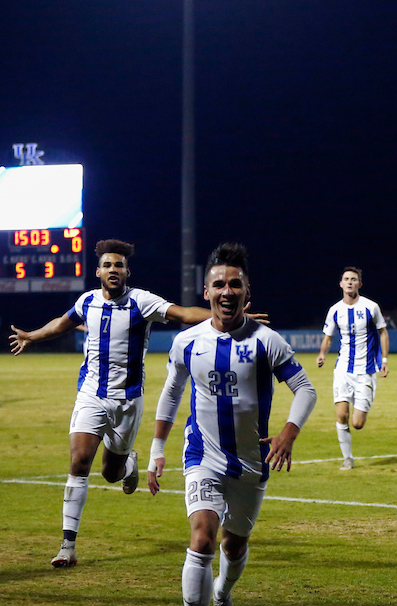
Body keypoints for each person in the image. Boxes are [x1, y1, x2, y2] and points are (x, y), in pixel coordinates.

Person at [8, 239, 241, 568]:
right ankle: (67, 546)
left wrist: (226, 316)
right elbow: (63, 323)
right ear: (98, 271)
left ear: (126, 271)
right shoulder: (87, 301)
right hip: (90, 395)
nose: (113, 270)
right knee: (79, 462)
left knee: (111, 473)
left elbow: (183, 313)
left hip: (128, 403)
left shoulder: (141, 301)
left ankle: (128, 464)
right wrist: (31, 335)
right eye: (108, 265)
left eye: (119, 265)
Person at [147, 243, 316, 606]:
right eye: (219, 283)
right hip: (202, 454)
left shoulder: (267, 342)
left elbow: (306, 389)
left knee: (234, 543)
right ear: (206, 291)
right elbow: (171, 393)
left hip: (251, 462)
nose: (226, 291)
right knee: (202, 537)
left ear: (247, 294)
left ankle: (222, 594)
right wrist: (157, 450)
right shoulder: (187, 341)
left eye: (234, 284)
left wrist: (289, 433)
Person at [316, 267, 389, 470]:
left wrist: (384, 359)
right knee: (341, 414)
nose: (349, 282)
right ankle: (347, 458)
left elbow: (383, 332)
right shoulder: (335, 310)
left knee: (357, 423)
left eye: (354, 279)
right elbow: (328, 337)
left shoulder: (371, 307)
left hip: (365, 370)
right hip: (343, 369)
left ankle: (361, 402)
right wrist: (322, 354)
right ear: (341, 284)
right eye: (346, 279)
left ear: (359, 284)